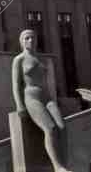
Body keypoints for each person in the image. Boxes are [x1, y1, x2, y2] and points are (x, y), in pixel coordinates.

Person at [12, 29, 72, 172]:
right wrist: (19, 105)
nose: (30, 41)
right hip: (31, 96)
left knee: (62, 127)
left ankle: (65, 163)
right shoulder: (19, 59)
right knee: (50, 128)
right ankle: (57, 167)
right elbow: (15, 84)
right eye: (27, 38)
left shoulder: (41, 58)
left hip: (47, 96)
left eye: (33, 38)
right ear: (22, 41)